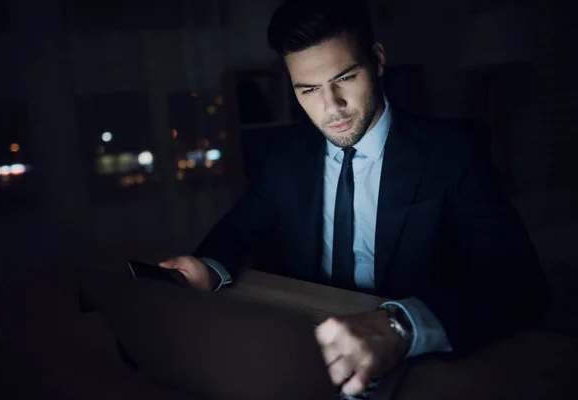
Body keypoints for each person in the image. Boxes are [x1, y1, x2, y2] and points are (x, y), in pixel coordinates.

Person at [159, 0, 549, 396]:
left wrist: (400, 325)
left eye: (345, 78)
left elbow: (519, 282)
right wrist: (207, 268)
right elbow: (236, 232)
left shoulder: (453, 152)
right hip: (307, 359)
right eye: (309, 90)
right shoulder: (287, 155)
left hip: (420, 369)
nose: (332, 108)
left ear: (377, 60)